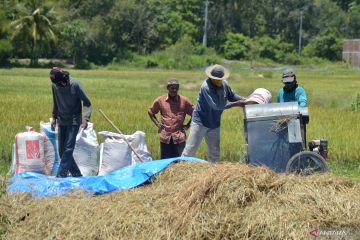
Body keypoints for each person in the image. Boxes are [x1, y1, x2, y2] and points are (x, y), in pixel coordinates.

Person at [181, 64, 247, 163]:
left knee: (214, 152)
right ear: (210, 78)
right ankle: (182, 169)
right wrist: (237, 104)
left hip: (214, 123)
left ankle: (213, 173)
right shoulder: (205, 87)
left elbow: (232, 96)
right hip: (200, 122)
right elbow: (216, 106)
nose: (218, 81)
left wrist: (246, 100)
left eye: (220, 79)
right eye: (215, 79)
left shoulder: (224, 84)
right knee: (190, 149)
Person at [50, 67, 92, 177]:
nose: (58, 86)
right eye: (57, 84)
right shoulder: (55, 85)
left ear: (64, 78)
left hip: (74, 120)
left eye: (60, 83)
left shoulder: (75, 84)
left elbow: (87, 102)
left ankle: (61, 175)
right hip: (61, 119)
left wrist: (86, 118)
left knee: (68, 148)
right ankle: (77, 175)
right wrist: (54, 117)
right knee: (61, 150)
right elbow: (55, 102)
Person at [148, 78, 194, 159]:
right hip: (165, 137)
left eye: (176, 88)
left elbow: (195, 113)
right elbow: (151, 112)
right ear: (168, 88)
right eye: (172, 88)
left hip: (179, 137)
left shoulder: (184, 101)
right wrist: (158, 124)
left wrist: (188, 125)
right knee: (165, 162)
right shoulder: (160, 100)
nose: (174, 90)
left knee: (180, 162)